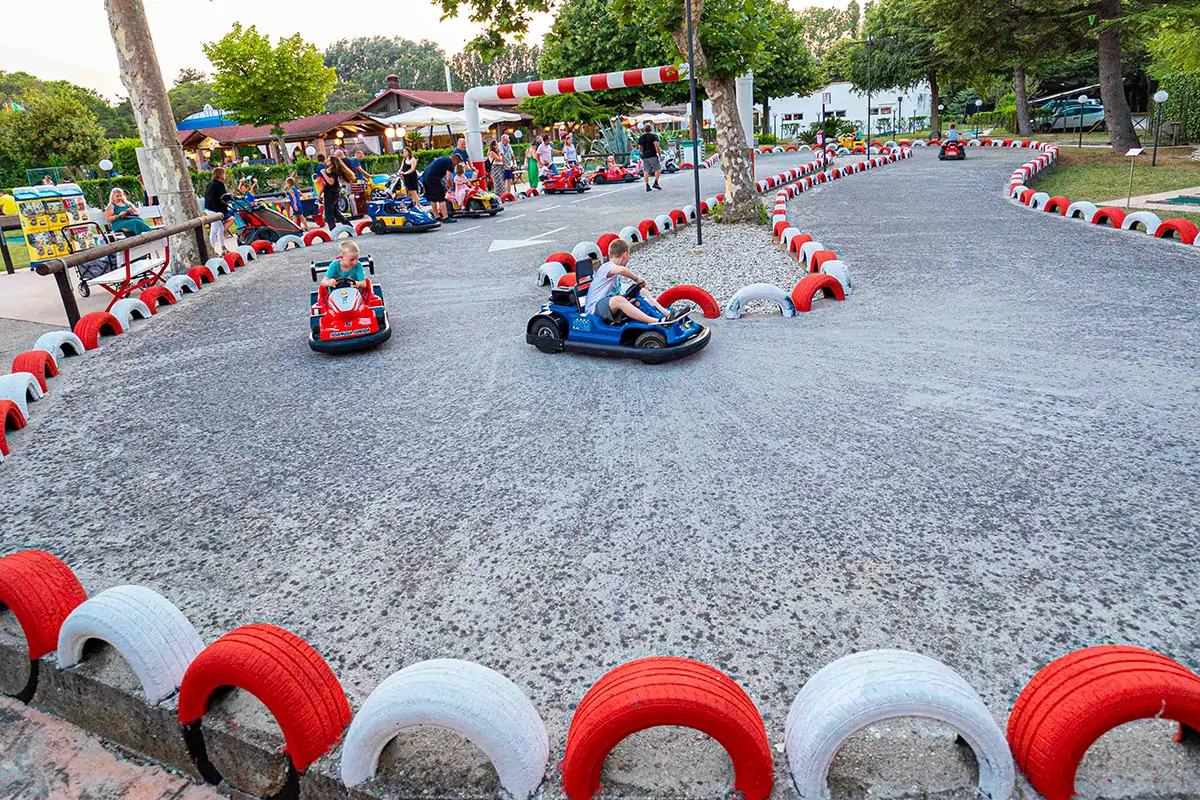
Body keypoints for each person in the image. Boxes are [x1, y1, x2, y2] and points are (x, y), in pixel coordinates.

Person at [583, 238, 680, 325]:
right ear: (625, 255)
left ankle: (665, 313)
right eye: (628, 256)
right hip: (594, 309)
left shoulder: (615, 274)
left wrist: (635, 287)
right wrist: (636, 279)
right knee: (618, 300)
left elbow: (619, 288)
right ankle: (655, 321)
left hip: (606, 305)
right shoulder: (607, 267)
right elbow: (621, 270)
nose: (628, 259)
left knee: (641, 291)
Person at [422, 152, 461, 223]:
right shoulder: (449, 162)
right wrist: (451, 186)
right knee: (441, 199)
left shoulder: (443, 159)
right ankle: (446, 217)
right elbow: (448, 177)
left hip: (426, 177)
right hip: (433, 179)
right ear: (455, 159)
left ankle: (437, 216)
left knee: (433, 199)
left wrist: (444, 183)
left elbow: (435, 172)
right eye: (457, 163)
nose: (456, 165)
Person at [203, 167, 233, 254]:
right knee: (215, 229)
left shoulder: (210, 184)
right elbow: (224, 196)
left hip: (209, 208)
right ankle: (211, 249)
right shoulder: (219, 184)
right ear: (221, 175)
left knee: (220, 228)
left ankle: (223, 247)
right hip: (215, 210)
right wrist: (231, 198)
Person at [322, 155, 355, 228]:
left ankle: (333, 228)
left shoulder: (333, 171)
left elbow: (331, 182)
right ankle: (348, 226)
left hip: (331, 193)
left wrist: (323, 173)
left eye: (329, 160)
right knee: (335, 212)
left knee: (329, 213)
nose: (327, 161)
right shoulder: (329, 170)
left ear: (332, 162)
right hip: (331, 192)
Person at [638, 123, 662, 191]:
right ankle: (656, 182)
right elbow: (656, 146)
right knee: (658, 169)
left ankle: (647, 185)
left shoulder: (641, 137)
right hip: (652, 155)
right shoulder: (653, 136)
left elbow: (640, 147)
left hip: (645, 156)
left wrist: (642, 152)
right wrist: (659, 155)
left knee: (646, 171)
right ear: (651, 129)